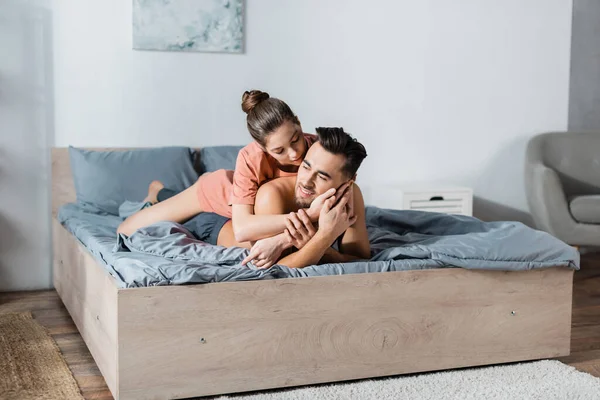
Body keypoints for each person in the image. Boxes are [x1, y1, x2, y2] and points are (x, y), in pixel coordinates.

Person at [117, 90, 335, 258]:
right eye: (279, 151)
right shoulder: (251, 157)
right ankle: (158, 192)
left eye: (295, 138)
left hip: (251, 204)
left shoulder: (318, 147)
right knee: (126, 229)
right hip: (219, 192)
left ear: (298, 122)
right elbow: (242, 230)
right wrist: (310, 217)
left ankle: (162, 191)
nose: (294, 152)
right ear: (262, 147)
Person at [167, 127, 370, 269]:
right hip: (214, 220)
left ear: (349, 182)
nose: (307, 181)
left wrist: (319, 244)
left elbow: (360, 259)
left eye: (323, 176)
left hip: (234, 201)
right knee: (166, 204)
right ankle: (159, 190)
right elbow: (279, 268)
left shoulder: (350, 196)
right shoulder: (272, 194)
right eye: (306, 166)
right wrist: (324, 236)